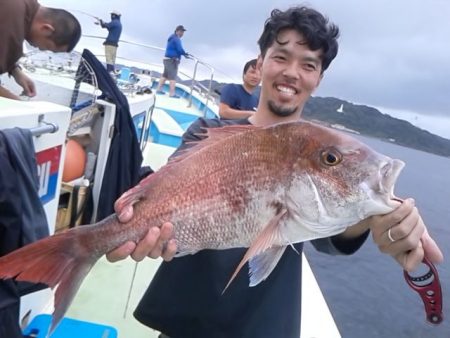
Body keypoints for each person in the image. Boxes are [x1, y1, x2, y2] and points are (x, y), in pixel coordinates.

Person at [108, 5, 443, 338]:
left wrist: (374, 216)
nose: (292, 73)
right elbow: (167, 194)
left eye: (308, 64)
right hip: (183, 320)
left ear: (318, 78)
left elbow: (328, 233)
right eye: (281, 57)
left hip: (259, 325)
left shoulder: (314, 153)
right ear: (261, 63)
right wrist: (139, 225)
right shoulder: (205, 133)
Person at [0, 0, 81, 100]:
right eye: (48, 48)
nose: (41, 49)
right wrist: (17, 102)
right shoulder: (13, 31)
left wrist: (15, 71)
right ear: (46, 29)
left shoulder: (22, 5)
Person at [155, 25, 191, 98]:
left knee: (165, 75)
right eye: (181, 31)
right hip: (171, 60)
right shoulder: (176, 38)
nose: (182, 33)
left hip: (166, 59)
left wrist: (183, 54)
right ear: (177, 31)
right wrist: (185, 54)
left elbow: (177, 49)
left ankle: (158, 90)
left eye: (183, 32)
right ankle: (172, 94)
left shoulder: (172, 37)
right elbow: (179, 49)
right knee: (173, 77)